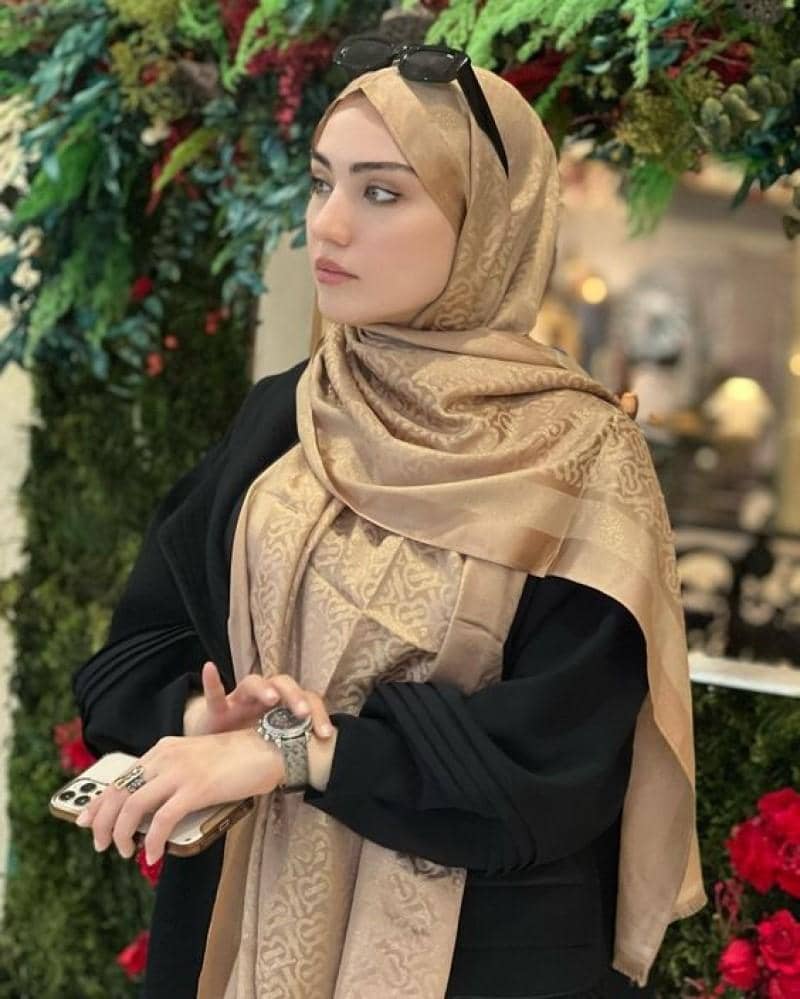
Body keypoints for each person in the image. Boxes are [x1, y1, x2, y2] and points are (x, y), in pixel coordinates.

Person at [72, 38, 706, 999]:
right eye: (321, 181)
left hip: (475, 956)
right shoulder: (290, 412)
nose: (328, 224)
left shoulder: (581, 457)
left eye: (381, 192)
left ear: (487, 221)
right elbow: (134, 654)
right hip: (238, 932)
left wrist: (297, 752)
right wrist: (209, 716)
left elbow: (556, 762)